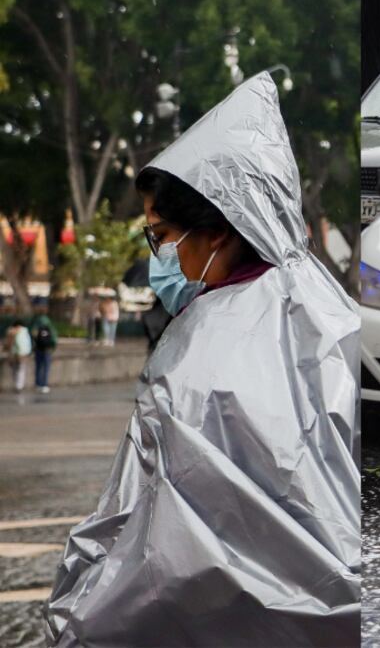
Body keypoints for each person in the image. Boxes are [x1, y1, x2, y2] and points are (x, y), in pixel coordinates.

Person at [46, 73, 360, 646]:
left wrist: (78, 614)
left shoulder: (202, 343)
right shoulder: (330, 309)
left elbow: (151, 528)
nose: (161, 255)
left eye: (162, 235)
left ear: (217, 229)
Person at [29, 308, 56, 394]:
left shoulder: (36, 322)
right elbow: (54, 337)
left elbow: (33, 334)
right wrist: (53, 347)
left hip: (38, 348)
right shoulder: (49, 323)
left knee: (38, 367)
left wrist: (33, 347)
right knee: (46, 368)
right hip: (47, 349)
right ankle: (44, 385)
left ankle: (38, 384)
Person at [5, 320, 31, 391]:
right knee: (21, 369)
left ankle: (17, 385)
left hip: (15, 353)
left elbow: (9, 343)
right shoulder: (25, 332)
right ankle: (19, 385)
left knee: (16, 369)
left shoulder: (12, 331)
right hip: (23, 353)